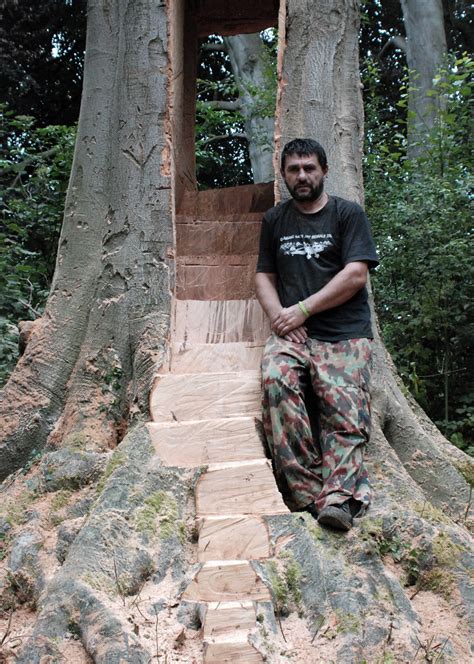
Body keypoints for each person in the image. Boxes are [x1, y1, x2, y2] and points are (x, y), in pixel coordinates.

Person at [255, 138, 379, 531]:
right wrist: (280, 318)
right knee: (276, 381)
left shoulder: (347, 215)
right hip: (293, 335)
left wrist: (302, 310)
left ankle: (341, 497)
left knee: (344, 411)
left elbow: (355, 274)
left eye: (309, 168)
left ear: (324, 170)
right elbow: (263, 276)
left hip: (344, 334)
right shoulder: (275, 220)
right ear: (284, 176)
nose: (302, 176)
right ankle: (309, 495)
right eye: (294, 169)